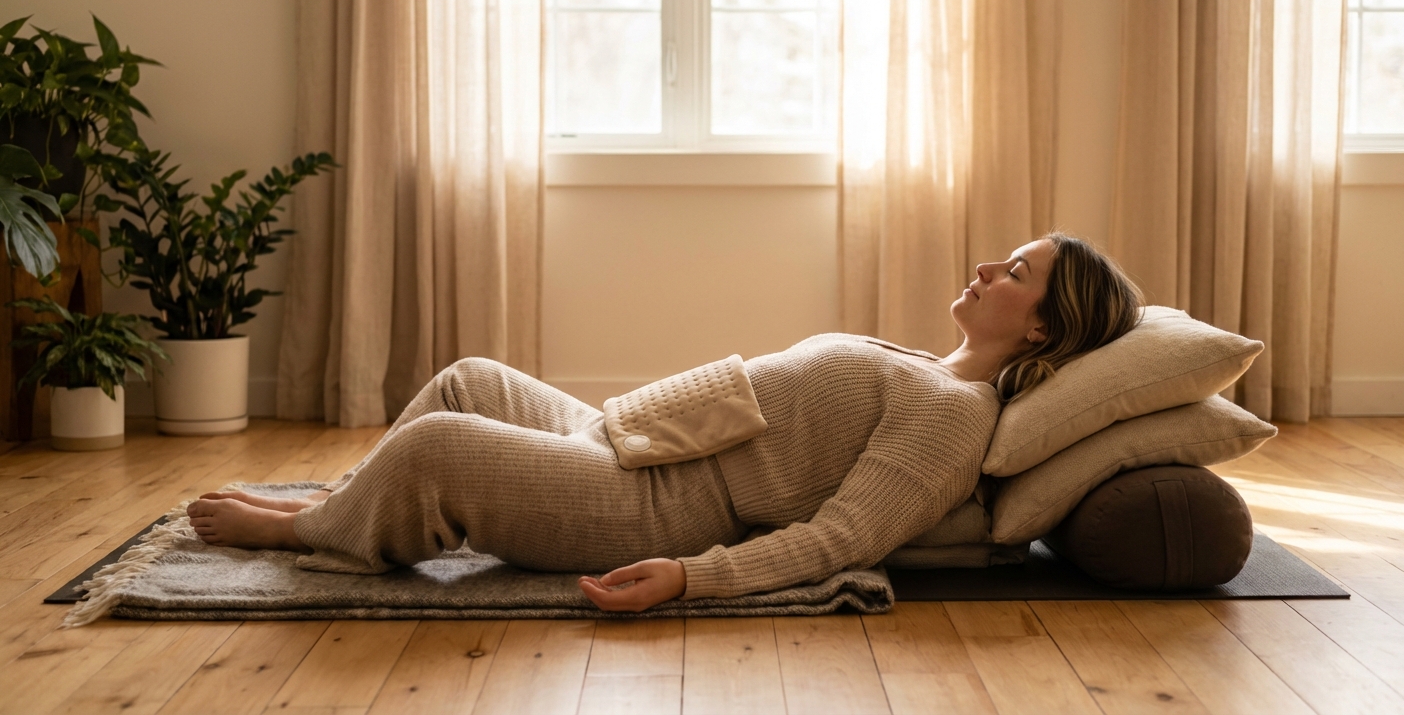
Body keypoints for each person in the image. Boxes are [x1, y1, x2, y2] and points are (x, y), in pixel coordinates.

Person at [187, 233, 1142, 612]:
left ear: (1043, 328)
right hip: (632, 444)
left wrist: (691, 576)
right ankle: (348, 506)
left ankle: (310, 532)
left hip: (653, 508)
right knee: (469, 380)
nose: (986, 267)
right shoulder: (926, 367)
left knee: (440, 446)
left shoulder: (952, 416)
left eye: (1016, 273)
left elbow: (844, 540)